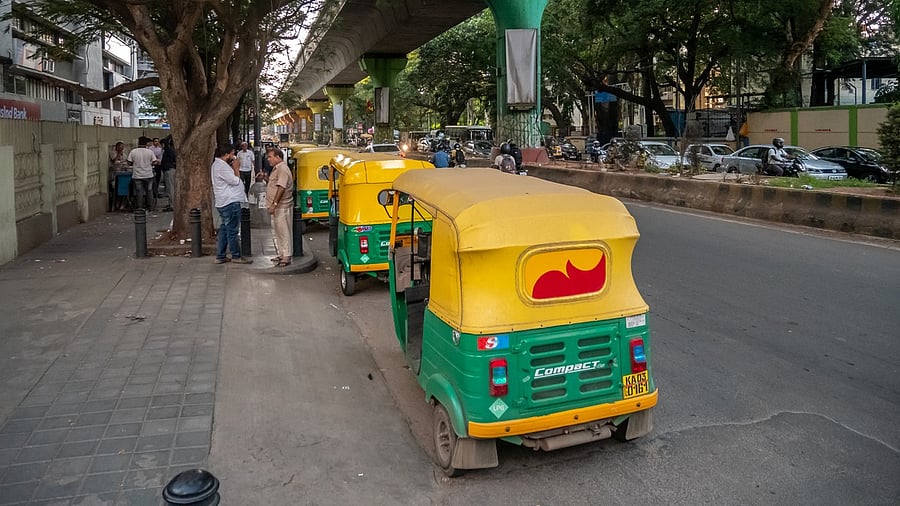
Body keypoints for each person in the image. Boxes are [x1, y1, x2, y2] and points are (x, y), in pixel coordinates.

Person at [211, 142, 252, 264]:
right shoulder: (222, 167)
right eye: (233, 154)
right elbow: (235, 181)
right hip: (230, 202)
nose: (234, 157)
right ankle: (236, 255)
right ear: (226, 154)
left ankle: (221, 255)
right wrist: (236, 168)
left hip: (225, 201)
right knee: (232, 230)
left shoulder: (218, 165)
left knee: (225, 228)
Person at [265, 148, 294, 267]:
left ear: (278, 157)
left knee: (283, 230)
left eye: (270, 157)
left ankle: (286, 255)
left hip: (282, 206)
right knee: (278, 230)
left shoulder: (282, 169)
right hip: (278, 207)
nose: (268, 159)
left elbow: (281, 188)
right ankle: (282, 253)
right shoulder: (276, 169)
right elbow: (274, 184)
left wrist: (274, 204)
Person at [128, 137, 158, 211]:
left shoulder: (133, 151)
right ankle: (150, 207)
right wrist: (150, 163)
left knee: (139, 192)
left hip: (137, 175)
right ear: (146, 143)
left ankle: (140, 207)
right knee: (149, 191)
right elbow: (155, 162)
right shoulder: (150, 152)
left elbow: (129, 162)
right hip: (148, 175)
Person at [109, 141, 130, 211]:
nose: (121, 149)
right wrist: (118, 154)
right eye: (120, 147)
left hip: (123, 172)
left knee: (125, 189)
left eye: (122, 147)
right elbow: (113, 160)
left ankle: (123, 204)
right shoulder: (113, 153)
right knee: (116, 190)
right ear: (117, 147)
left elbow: (126, 161)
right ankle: (116, 205)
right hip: (115, 174)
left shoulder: (124, 154)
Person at [159, 139, 177, 212]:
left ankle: (172, 204)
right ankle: (171, 203)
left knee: (170, 188)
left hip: (169, 170)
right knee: (170, 188)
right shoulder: (170, 150)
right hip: (169, 169)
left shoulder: (168, 150)